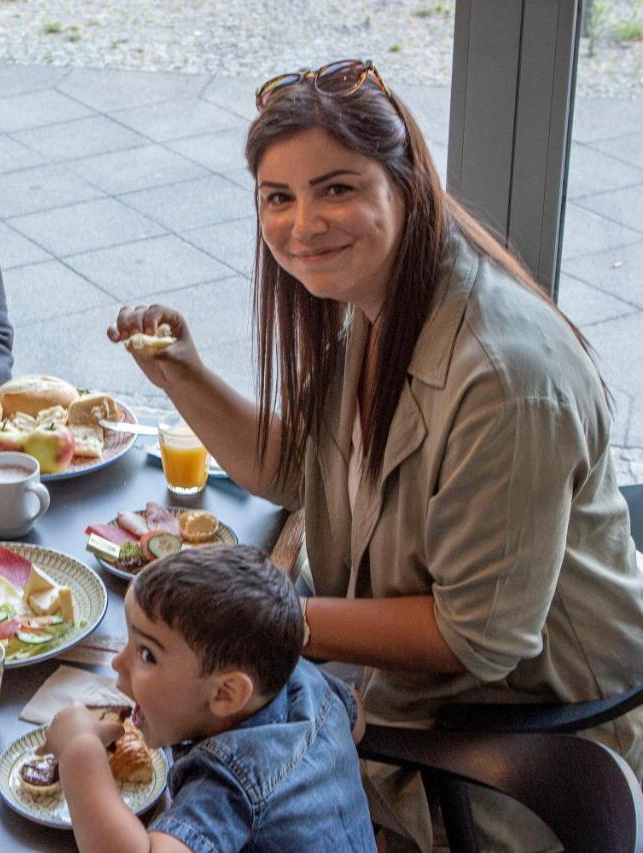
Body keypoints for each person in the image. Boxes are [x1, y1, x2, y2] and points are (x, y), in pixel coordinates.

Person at [108, 59, 643, 850]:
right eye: (277, 198)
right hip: (399, 695)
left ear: (406, 183)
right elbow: (297, 469)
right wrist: (180, 369)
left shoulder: (503, 379)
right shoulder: (386, 305)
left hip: (506, 744)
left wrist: (265, 625)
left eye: (337, 189)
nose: (304, 224)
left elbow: (478, 638)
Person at [45, 545, 374, 852]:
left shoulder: (229, 784)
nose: (118, 662)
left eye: (147, 654)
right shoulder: (303, 680)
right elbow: (355, 717)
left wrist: (80, 750)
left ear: (225, 694)